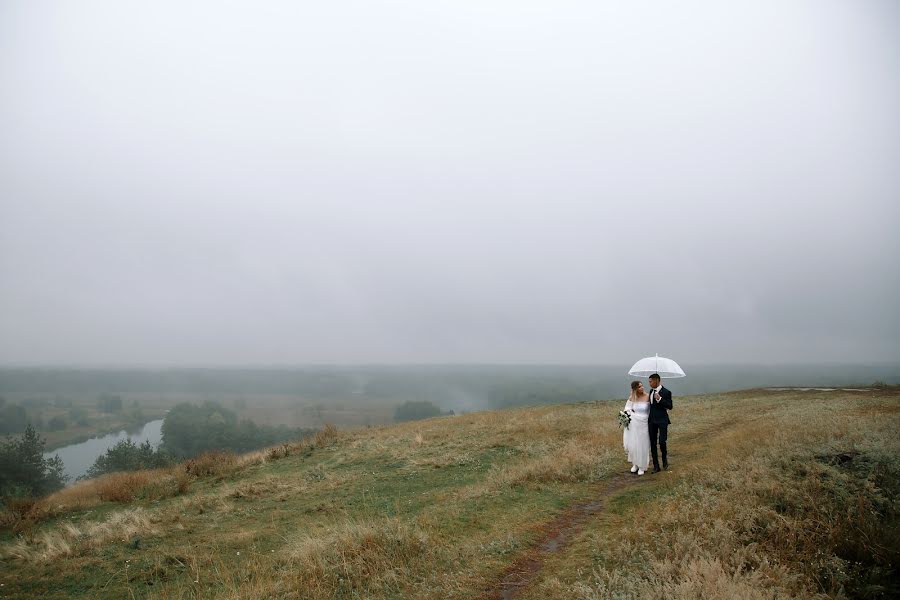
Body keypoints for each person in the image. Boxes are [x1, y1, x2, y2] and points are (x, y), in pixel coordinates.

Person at [647, 373, 673, 473]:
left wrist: (660, 399)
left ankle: (665, 462)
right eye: (649, 381)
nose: (649, 383)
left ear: (657, 381)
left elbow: (670, 406)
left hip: (662, 420)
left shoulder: (666, 392)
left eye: (650, 381)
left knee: (662, 442)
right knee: (652, 443)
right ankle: (656, 466)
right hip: (652, 421)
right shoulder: (650, 391)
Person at [622, 380, 650, 475]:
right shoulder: (632, 398)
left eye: (642, 386)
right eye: (639, 387)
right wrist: (630, 413)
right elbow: (626, 408)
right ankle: (635, 464)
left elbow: (652, 410)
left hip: (644, 423)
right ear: (635, 389)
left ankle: (642, 466)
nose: (642, 388)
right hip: (634, 424)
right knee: (634, 444)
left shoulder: (647, 397)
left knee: (643, 444)